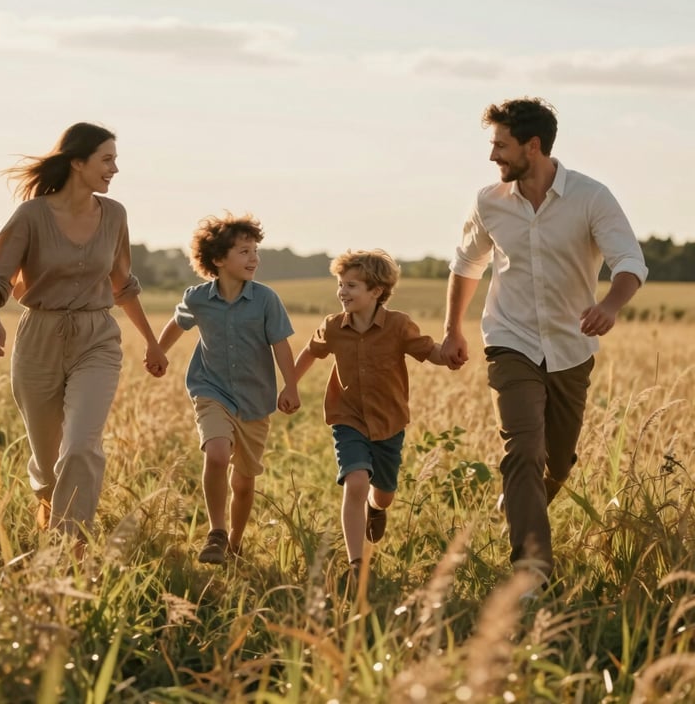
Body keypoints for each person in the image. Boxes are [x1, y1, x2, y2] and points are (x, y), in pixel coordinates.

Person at [440, 98, 647, 582]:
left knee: (557, 459)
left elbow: (629, 262)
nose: (493, 156)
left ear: (532, 146)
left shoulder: (592, 197)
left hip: (571, 346)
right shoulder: (488, 200)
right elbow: (466, 264)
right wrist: (452, 328)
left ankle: (519, 494)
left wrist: (609, 306)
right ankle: (532, 570)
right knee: (523, 451)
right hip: (509, 338)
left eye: (501, 145)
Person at [0, 122, 168, 542]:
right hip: (38, 339)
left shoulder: (114, 215)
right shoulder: (33, 215)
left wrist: (152, 342)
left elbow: (122, 284)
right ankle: (48, 507)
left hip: (97, 337)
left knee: (80, 446)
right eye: (107, 159)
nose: (115, 169)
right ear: (78, 163)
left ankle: (69, 549)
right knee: (47, 464)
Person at [285, 249, 450, 580]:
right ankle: (357, 565)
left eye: (352, 286)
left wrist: (449, 355)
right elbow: (310, 352)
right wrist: (290, 386)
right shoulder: (332, 327)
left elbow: (429, 350)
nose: (342, 292)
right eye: (341, 284)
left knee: (383, 494)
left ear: (376, 291)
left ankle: (376, 509)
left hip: (389, 422)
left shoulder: (399, 325)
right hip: (348, 419)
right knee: (356, 481)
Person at [157, 213, 301, 565]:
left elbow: (281, 346)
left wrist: (291, 385)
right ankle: (216, 532)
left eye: (255, 251)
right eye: (244, 251)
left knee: (245, 482)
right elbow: (178, 324)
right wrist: (158, 352)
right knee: (218, 454)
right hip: (211, 390)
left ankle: (235, 542)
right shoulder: (198, 298)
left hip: (255, 400)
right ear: (218, 260)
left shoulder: (266, 300)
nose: (254, 258)